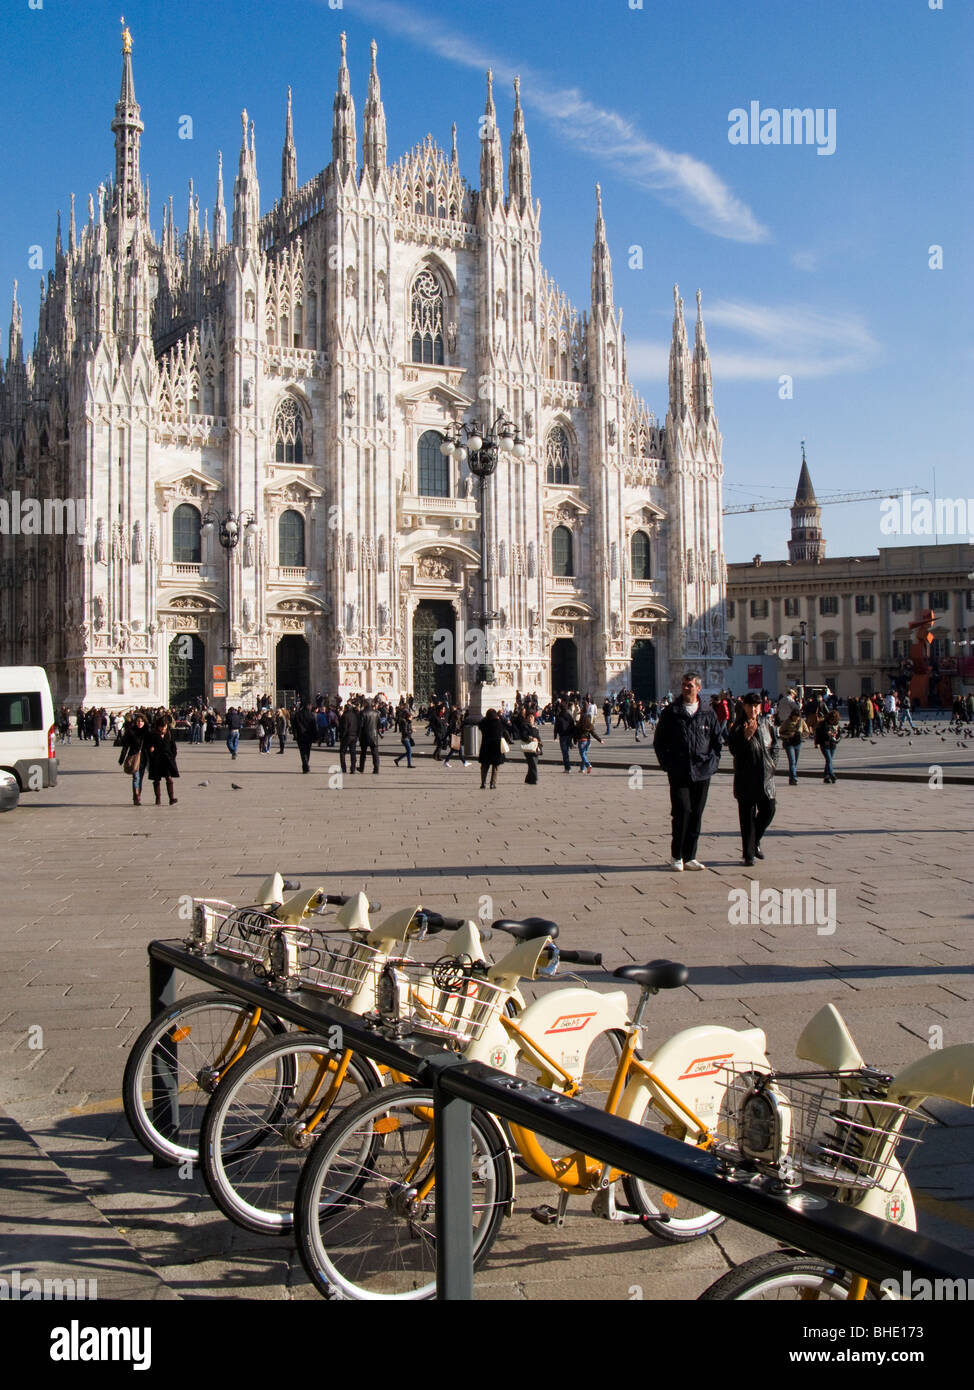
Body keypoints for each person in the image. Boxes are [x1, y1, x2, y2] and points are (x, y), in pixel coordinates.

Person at [652, 671, 722, 871]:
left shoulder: (708, 713)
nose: (685, 688)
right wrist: (667, 764)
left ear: (698, 688)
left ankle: (690, 856)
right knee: (682, 811)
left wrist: (712, 763)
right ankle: (677, 856)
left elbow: (717, 742)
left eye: (689, 685)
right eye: (683, 684)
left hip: (702, 770)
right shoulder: (671, 712)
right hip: (679, 770)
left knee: (696, 813)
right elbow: (659, 742)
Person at [728, 691, 778, 866]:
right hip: (746, 777)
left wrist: (773, 765)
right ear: (745, 707)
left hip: (765, 776)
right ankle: (748, 854)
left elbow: (775, 746)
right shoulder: (737, 726)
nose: (753, 709)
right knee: (747, 817)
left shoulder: (766, 724)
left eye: (756, 706)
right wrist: (746, 736)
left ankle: (754, 840)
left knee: (769, 810)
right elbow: (733, 749)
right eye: (750, 706)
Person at [118, 710, 151, 805]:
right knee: (136, 778)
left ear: (144, 722)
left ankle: (137, 795)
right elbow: (125, 746)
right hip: (133, 756)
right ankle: (136, 797)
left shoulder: (147, 732)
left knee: (140, 778)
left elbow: (151, 744)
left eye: (141, 721)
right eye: (138, 721)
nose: (140, 723)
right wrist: (122, 758)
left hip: (144, 758)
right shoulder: (131, 732)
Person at [147, 713, 179, 805]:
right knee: (156, 780)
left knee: (169, 778)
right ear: (157, 727)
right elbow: (148, 747)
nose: (163, 729)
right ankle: (158, 798)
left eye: (164, 726)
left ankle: (171, 798)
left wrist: (173, 756)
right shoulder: (153, 735)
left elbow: (173, 746)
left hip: (167, 760)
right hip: (156, 760)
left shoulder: (169, 734)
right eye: (161, 727)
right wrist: (151, 752)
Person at [477, 708, 507, 789]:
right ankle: (492, 783)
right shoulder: (498, 723)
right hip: (496, 747)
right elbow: (506, 725)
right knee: (495, 767)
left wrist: (485, 718)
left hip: (486, 747)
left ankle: (483, 783)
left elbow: (479, 724)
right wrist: (499, 717)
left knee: (484, 766)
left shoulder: (484, 723)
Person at [574, 705, 603, 773]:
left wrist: (574, 741)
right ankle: (582, 769)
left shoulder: (579, 724)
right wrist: (600, 740)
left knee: (583, 755)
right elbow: (593, 733)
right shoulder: (589, 724)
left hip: (581, 741)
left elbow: (575, 734)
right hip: (588, 741)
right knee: (584, 754)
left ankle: (588, 765)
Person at [518, 709, 543, 784]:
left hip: (535, 747)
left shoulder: (535, 727)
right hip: (528, 748)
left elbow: (538, 737)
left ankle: (528, 779)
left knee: (533, 763)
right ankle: (534, 779)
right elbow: (523, 736)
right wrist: (531, 738)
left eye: (531, 717)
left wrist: (540, 742)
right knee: (533, 764)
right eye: (529, 717)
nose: (530, 718)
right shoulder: (524, 726)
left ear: (534, 718)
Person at [815, 708, 840, 783]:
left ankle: (826, 777)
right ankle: (831, 774)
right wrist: (827, 735)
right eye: (831, 719)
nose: (832, 721)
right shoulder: (822, 724)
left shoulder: (836, 724)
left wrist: (836, 737)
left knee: (829, 761)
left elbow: (839, 734)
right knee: (829, 760)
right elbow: (819, 734)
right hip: (824, 744)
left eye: (833, 719)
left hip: (832, 744)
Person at [358, 699, 381, 774]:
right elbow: (379, 725)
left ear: (366, 704)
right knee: (375, 753)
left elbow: (361, 725)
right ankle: (376, 768)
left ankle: (361, 768)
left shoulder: (363, 713)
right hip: (374, 735)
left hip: (364, 735)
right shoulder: (376, 713)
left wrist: (359, 735)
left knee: (363, 753)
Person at [339, 700, 360, 775]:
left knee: (342, 752)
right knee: (353, 753)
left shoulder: (344, 716)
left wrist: (341, 736)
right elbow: (358, 726)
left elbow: (343, 727)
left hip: (346, 736)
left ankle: (343, 768)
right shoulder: (355, 716)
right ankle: (353, 768)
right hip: (354, 736)